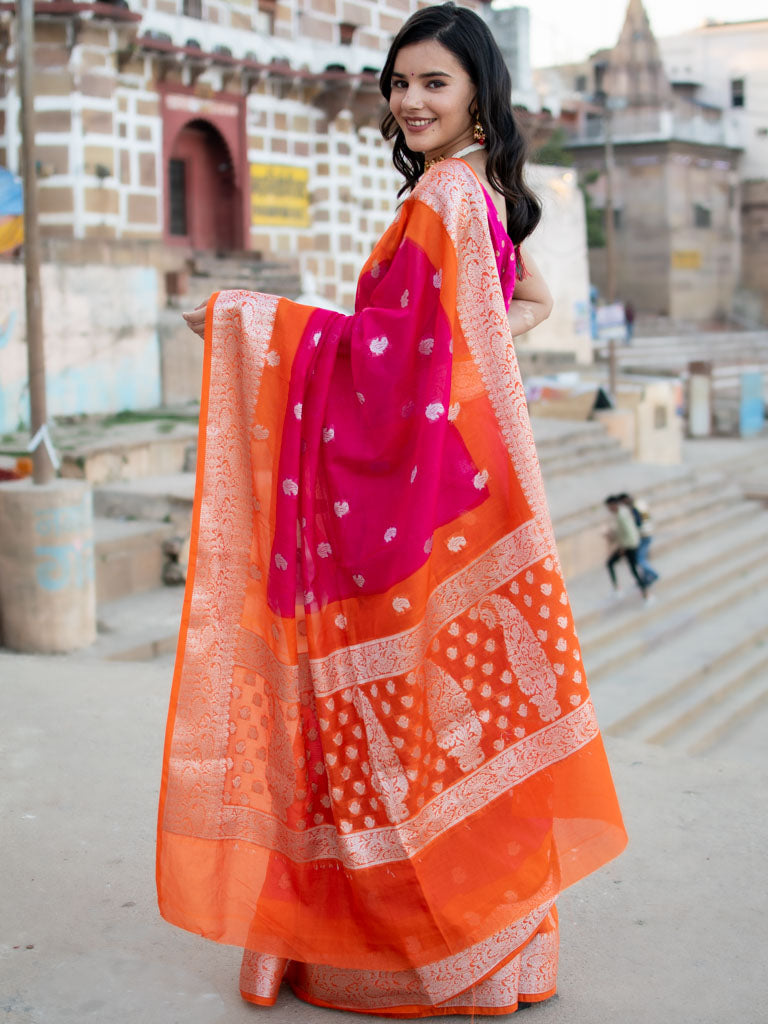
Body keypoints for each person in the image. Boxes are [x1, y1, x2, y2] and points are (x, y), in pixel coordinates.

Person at [158, 4, 627, 1016]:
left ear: (476, 98)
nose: (410, 101)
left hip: (408, 504)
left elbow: (390, 359)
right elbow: (514, 308)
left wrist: (250, 323)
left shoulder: (443, 199)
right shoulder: (478, 196)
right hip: (450, 490)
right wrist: (463, 369)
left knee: (390, 734)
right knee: (445, 721)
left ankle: (411, 946)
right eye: (399, 82)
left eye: (434, 84)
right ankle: (500, 946)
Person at [605, 494, 649, 599]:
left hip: (630, 546)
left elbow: (629, 533)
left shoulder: (622, 516)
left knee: (633, 570)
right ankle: (618, 588)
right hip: (629, 545)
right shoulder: (622, 513)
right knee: (631, 569)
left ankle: (646, 595)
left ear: (613, 505)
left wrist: (623, 548)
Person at [622, 493, 659, 586]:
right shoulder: (640, 504)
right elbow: (647, 517)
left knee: (640, 559)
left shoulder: (635, 508)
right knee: (644, 557)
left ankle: (654, 574)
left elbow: (639, 522)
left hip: (644, 534)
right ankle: (646, 577)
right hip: (648, 531)